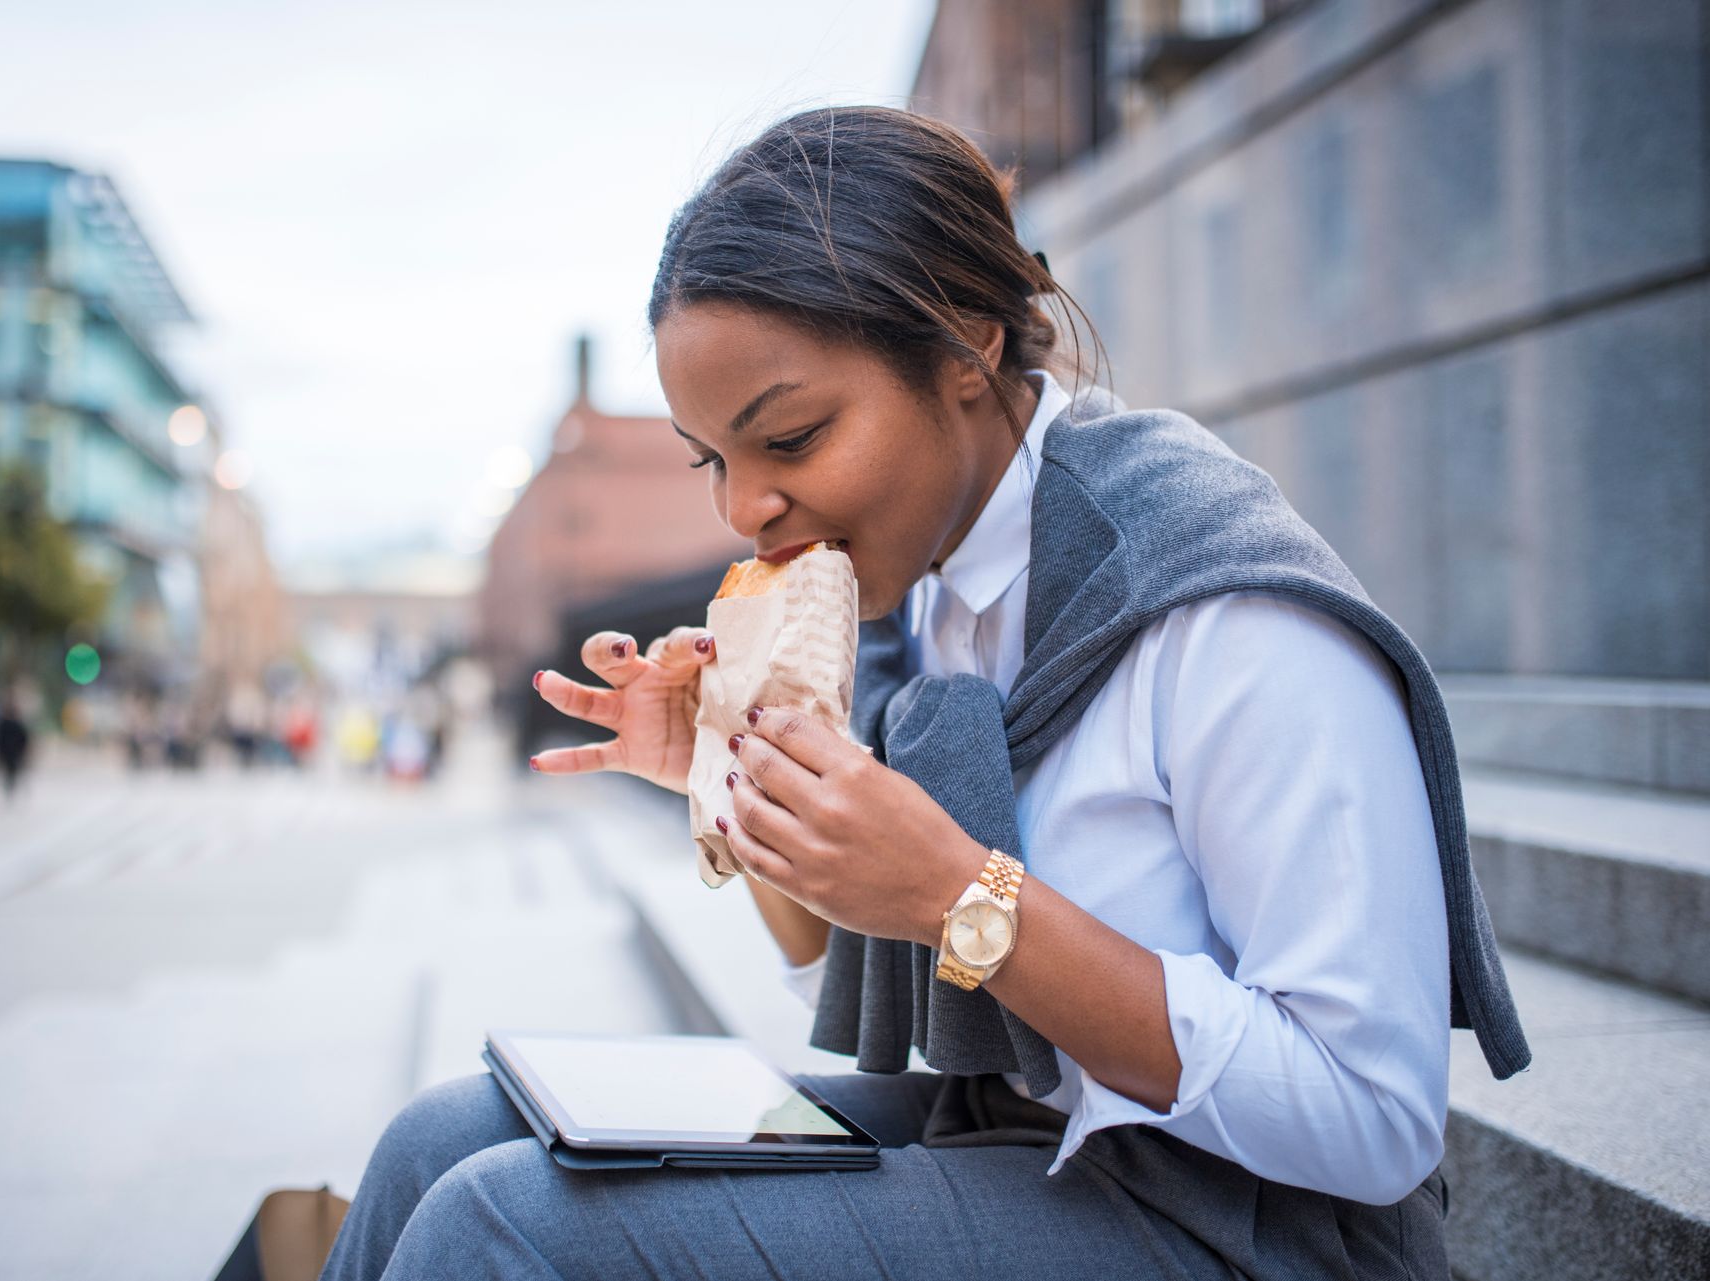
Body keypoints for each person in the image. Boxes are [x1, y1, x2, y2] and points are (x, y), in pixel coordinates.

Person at [317, 105, 1525, 1280]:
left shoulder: (1221, 608)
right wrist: (726, 776)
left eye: (788, 438)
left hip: (1251, 1230)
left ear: (964, 342)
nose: (744, 510)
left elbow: (1371, 1118)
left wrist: (961, 896)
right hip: (1015, 1142)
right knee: (447, 1139)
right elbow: (844, 973)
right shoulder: (924, 597)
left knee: (514, 1227)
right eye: (714, 461)